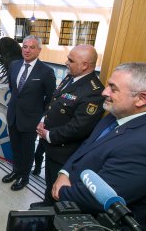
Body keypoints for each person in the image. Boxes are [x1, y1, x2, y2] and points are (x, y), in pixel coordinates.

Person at [50, 62, 146, 226]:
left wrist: (63, 191)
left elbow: (101, 198)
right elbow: (86, 146)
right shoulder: (115, 115)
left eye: (113, 89)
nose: (104, 92)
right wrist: (64, 172)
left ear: (142, 99)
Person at [32, 44, 105, 205]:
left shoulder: (94, 92)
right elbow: (54, 103)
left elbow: (79, 127)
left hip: (64, 151)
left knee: (58, 188)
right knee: (50, 181)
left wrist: (49, 135)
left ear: (85, 65)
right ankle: (46, 204)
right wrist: (43, 121)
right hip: (51, 144)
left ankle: (52, 213)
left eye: (71, 60)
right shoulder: (71, 77)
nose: (66, 62)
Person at [2, 35, 56, 191]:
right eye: (25, 46)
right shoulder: (14, 65)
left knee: (27, 150)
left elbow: (51, 98)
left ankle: (24, 178)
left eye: (32, 47)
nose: (27, 50)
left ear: (39, 50)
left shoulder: (46, 71)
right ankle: (15, 171)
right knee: (15, 148)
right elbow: (14, 90)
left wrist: (41, 116)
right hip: (13, 116)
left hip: (31, 120)